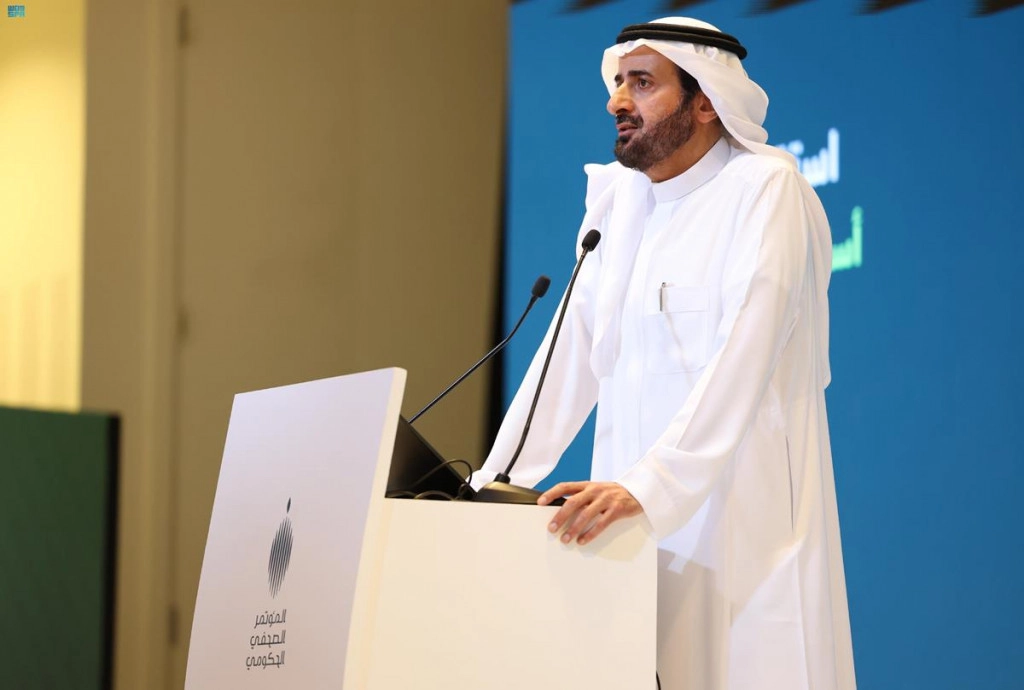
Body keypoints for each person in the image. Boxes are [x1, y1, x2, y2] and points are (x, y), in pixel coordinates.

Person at [474, 16, 857, 690]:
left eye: (643, 83)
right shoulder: (620, 206)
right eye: (618, 82)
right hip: (629, 534)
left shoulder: (766, 190)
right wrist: (489, 483)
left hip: (743, 537)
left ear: (706, 101)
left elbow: (746, 356)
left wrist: (649, 487)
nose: (617, 101)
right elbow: (564, 362)